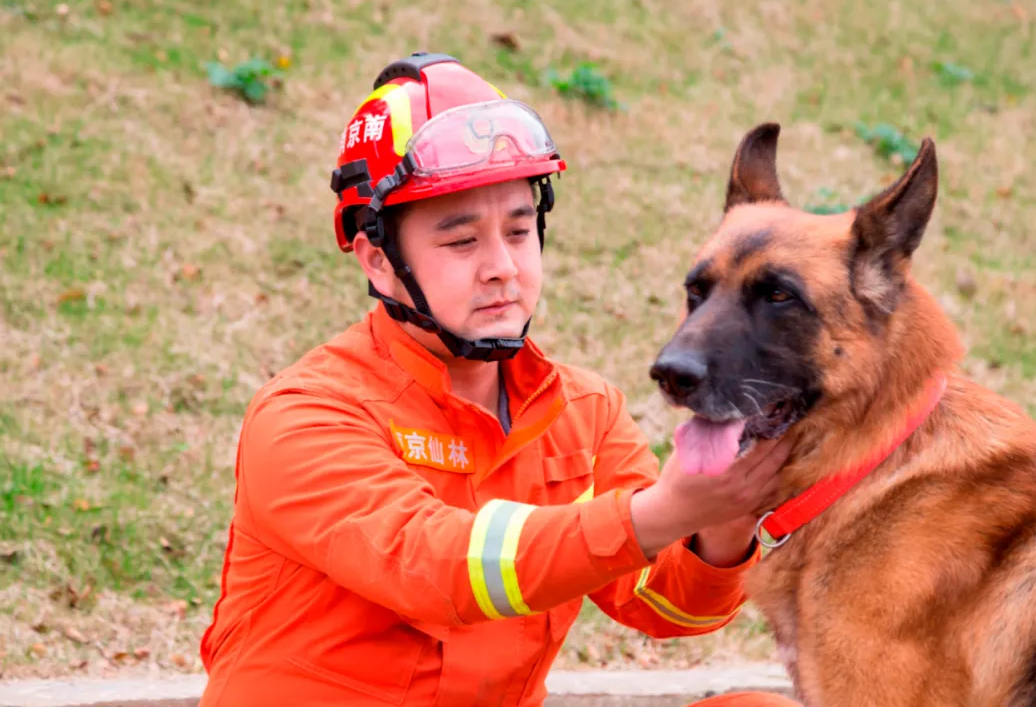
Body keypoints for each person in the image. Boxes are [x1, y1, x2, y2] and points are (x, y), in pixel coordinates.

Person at [198, 52, 800, 707]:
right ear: (378, 260)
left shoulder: (583, 412)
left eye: (518, 232)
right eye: (461, 242)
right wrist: (661, 512)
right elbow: (438, 569)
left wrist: (726, 510)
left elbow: (670, 607)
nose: (502, 268)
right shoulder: (307, 414)